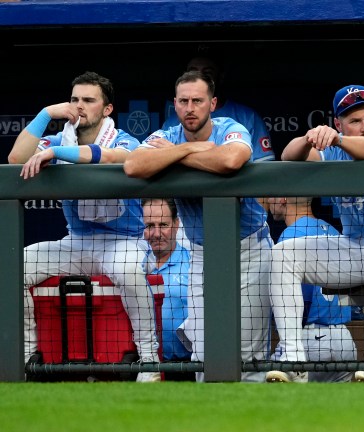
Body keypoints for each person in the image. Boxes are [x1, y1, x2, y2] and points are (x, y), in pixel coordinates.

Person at [8, 71, 160, 382]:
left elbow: (111, 157)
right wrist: (46, 114)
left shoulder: (123, 138)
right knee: (15, 266)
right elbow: (15, 159)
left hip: (124, 242)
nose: (79, 106)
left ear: (106, 110)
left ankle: (149, 360)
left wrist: (57, 153)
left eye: (88, 100)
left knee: (129, 270)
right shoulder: (60, 138)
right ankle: (26, 357)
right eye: (75, 99)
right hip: (76, 243)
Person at [123, 71, 274, 382]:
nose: (190, 107)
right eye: (183, 101)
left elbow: (232, 159)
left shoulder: (230, 127)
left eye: (197, 101)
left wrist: (174, 155)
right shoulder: (167, 133)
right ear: (175, 105)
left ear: (212, 103)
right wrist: (190, 150)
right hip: (202, 253)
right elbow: (133, 165)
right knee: (203, 350)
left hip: (249, 249)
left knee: (249, 354)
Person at [270, 84, 364, 383]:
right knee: (284, 252)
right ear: (338, 122)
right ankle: (292, 357)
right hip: (357, 249)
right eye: (355, 121)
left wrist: (338, 138)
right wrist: (309, 139)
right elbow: (289, 157)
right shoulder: (334, 152)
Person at [267, 196, 358, 382]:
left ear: (283, 199)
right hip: (345, 340)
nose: (268, 200)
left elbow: (300, 298)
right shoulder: (333, 230)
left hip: (310, 340)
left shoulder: (291, 235)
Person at [161, 55, 273, 162]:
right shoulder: (171, 125)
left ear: (221, 76)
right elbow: (146, 161)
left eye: (207, 73)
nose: (199, 77)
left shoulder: (246, 118)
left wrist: (176, 154)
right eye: (193, 72)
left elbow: (264, 169)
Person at [141, 198, 194, 380]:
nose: (156, 233)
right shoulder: (134, 266)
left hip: (188, 368)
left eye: (163, 224)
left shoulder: (194, 264)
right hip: (145, 367)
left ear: (176, 224)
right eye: (149, 226)